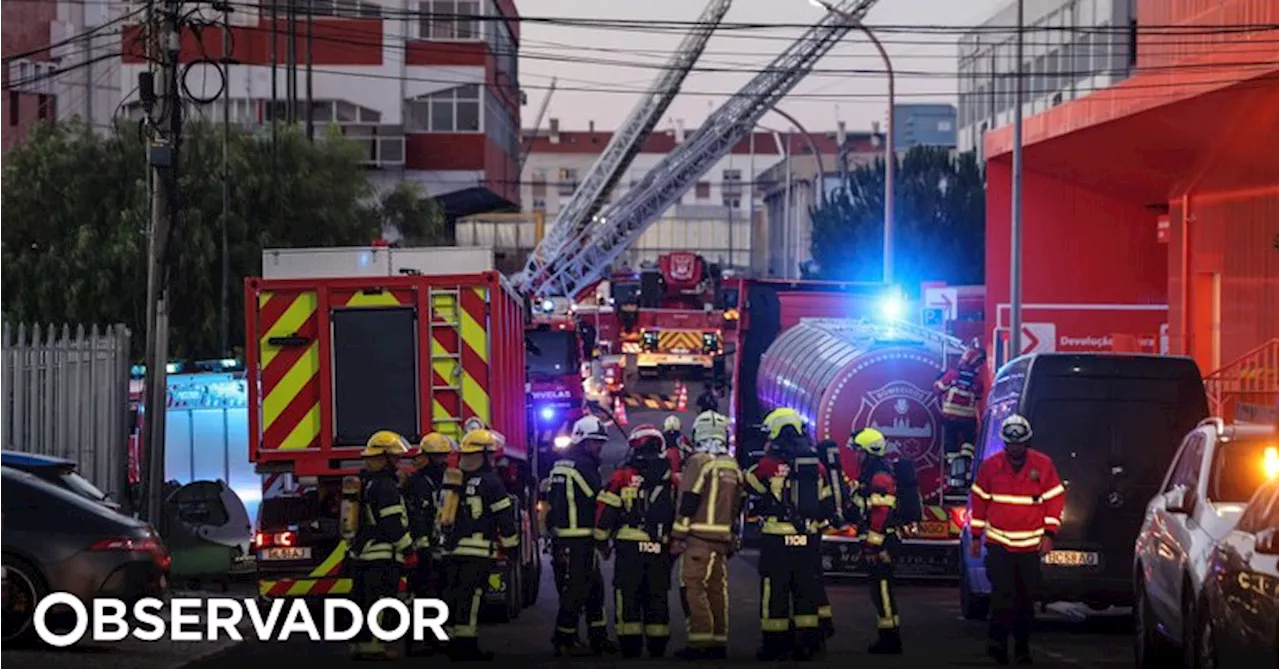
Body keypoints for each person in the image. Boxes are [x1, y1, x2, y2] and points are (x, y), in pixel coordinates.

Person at [968, 414, 1065, 665]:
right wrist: (976, 537)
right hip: (999, 545)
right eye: (1011, 444)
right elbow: (979, 502)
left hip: (1030, 547)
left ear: (1027, 442)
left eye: (1019, 444)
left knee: (1026, 599)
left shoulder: (1042, 465)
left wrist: (1049, 534)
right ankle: (997, 644)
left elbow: (1055, 501)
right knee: (1003, 596)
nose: (1015, 449)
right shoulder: (991, 467)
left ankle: (1022, 648)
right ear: (1004, 444)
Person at [744, 408, 833, 661]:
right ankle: (807, 645)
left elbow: (751, 482)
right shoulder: (817, 466)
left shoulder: (769, 464)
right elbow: (826, 502)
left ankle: (775, 645)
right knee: (806, 589)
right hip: (808, 539)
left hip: (777, 539)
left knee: (775, 591)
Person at [434, 428, 519, 660]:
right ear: (483, 455)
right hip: (477, 550)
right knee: (471, 597)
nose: (493, 459)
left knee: (453, 594)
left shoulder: (454, 481)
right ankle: (466, 645)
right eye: (490, 454)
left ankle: (452, 641)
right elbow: (504, 518)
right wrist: (511, 548)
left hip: (451, 550)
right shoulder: (492, 482)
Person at [595, 424, 677, 658]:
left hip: (629, 547)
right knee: (657, 596)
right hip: (659, 547)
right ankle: (657, 645)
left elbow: (606, 510)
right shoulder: (670, 476)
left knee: (627, 594)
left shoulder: (623, 475)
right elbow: (678, 511)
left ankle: (630, 645)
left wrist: (602, 542)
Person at [670, 409, 742, 660]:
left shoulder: (699, 461)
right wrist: (733, 536)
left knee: (693, 587)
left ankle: (700, 641)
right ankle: (718, 641)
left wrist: (678, 534)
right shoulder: (731, 464)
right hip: (722, 539)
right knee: (716, 590)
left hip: (698, 537)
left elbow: (689, 497)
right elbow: (737, 505)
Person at [547, 415, 617, 656]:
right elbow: (596, 500)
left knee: (593, 588)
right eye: (595, 442)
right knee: (577, 591)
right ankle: (564, 638)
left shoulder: (560, 463)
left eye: (600, 442)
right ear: (582, 441)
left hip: (562, 538)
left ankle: (598, 637)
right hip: (580, 539)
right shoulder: (585, 467)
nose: (599, 447)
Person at [847, 428, 917, 655]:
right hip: (881, 539)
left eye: (858, 451)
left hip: (883, 541)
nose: (856, 456)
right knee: (879, 590)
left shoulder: (879, 476)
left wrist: (872, 544)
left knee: (882, 590)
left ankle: (890, 638)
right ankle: (887, 632)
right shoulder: (873, 473)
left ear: (868, 451)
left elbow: (880, 513)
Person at [348, 430, 414, 660]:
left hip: (364, 552)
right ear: (384, 458)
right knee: (380, 600)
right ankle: (373, 647)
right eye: (395, 457)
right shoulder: (386, 486)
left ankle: (360, 644)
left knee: (363, 600)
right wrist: (408, 549)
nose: (398, 461)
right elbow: (392, 522)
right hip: (383, 553)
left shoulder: (366, 482)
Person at [403, 432, 455, 655]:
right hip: (421, 549)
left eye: (444, 456)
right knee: (420, 595)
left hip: (439, 546)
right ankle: (416, 641)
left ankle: (434, 637)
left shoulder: (444, 480)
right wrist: (421, 548)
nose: (443, 461)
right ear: (426, 457)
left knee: (440, 592)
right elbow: (416, 517)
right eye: (438, 457)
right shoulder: (416, 483)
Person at [814, 438, 853, 648]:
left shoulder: (818, 470)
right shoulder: (833, 474)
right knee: (816, 577)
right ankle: (825, 620)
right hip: (821, 529)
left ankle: (821, 623)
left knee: (810, 578)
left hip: (812, 532)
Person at [935, 346, 986, 492]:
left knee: (952, 449)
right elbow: (978, 397)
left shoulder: (952, 375)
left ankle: (955, 476)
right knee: (968, 447)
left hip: (949, 418)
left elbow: (938, 389)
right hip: (968, 419)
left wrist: (938, 379)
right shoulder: (977, 382)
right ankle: (964, 472)